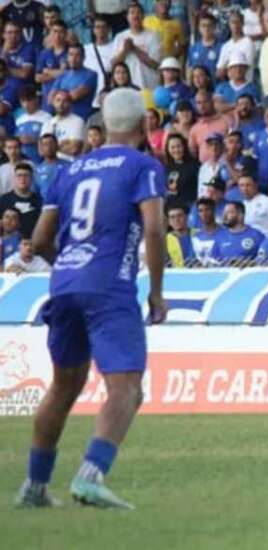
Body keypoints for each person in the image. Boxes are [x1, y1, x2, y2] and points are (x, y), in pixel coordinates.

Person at [14, 88, 167, 509]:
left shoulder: (71, 170)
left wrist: (71, 266)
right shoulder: (143, 166)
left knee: (63, 386)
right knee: (127, 387)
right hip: (109, 286)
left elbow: (41, 238)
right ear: (145, 126)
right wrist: (155, 292)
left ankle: (34, 486)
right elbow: (154, 230)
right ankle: (90, 475)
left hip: (64, 283)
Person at [0, 162, 42, 236]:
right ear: (14, 178)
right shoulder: (4, 200)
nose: (22, 179)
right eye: (19, 175)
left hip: (33, 243)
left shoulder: (40, 201)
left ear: (32, 178)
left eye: (26, 176)